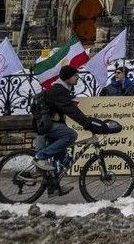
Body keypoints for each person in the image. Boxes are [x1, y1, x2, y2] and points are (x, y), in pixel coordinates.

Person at [32, 66, 98, 195]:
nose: (77, 78)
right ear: (67, 77)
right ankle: (41, 156)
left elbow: (65, 108)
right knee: (70, 135)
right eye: (75, 76)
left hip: (48, 124)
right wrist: (86, 123)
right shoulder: (58, 90)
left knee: (61, 157)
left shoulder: (63, 89)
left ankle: (54, 187)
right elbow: (70, 110)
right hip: (44, 126)